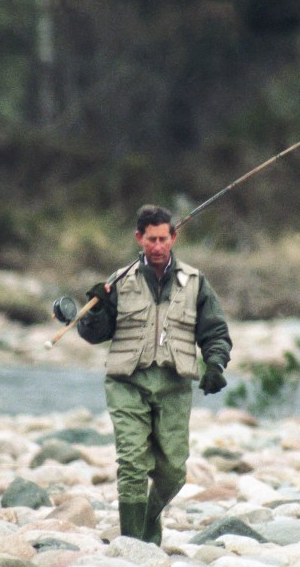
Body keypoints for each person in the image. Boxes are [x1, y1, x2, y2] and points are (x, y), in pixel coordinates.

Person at [77, 204, 232, 545]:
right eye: (151, 240)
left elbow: (215, 332)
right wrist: (96, 310)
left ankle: (147, 519)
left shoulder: (194, 282)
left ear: (174, 237)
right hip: (126, 383)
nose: (158, 246)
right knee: (131, 463)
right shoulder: (119, 281)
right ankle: (131, 544)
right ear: (139, 238)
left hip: (174, 385)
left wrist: (215, 364)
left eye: (164, 239)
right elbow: (93, 334)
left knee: (174, 472)